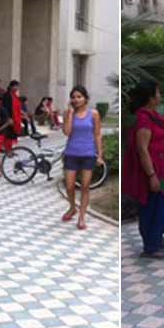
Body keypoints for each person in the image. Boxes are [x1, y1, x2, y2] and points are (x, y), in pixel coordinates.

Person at [123, 81, 164, 258]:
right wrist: (151, 175)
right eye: (158, 93)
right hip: (154, 172)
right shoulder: (144, 119)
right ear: (150, 98)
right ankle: (151, 246)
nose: (160, 96)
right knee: (152, 208)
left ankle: (158, 237)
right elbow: (142, 149)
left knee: (163, 205)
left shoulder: (153, 116)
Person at [61, 86, 104, 230]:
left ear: (85, 98)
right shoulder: (68, 113)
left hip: (88, 154)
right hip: (71, 154)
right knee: (69, 186)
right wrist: (70, 113)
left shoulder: (94, 114)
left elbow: (97, 134)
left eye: (79, 96)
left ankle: (81, 217)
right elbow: (67, 132)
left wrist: (100, 154)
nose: (76, 99)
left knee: (85, 186)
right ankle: (72, 207)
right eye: (73, 97)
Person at [2, 80, 24, 153]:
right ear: (11, 86)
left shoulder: (14, 95)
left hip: (15, 118)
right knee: (8, 135)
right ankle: (8, 150)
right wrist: (8, 118)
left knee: (11, 135)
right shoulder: (7, 95)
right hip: (9, 118)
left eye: (17, 86)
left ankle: (10, 149)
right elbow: (5, 108)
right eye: (16, 86)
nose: (17, 88)